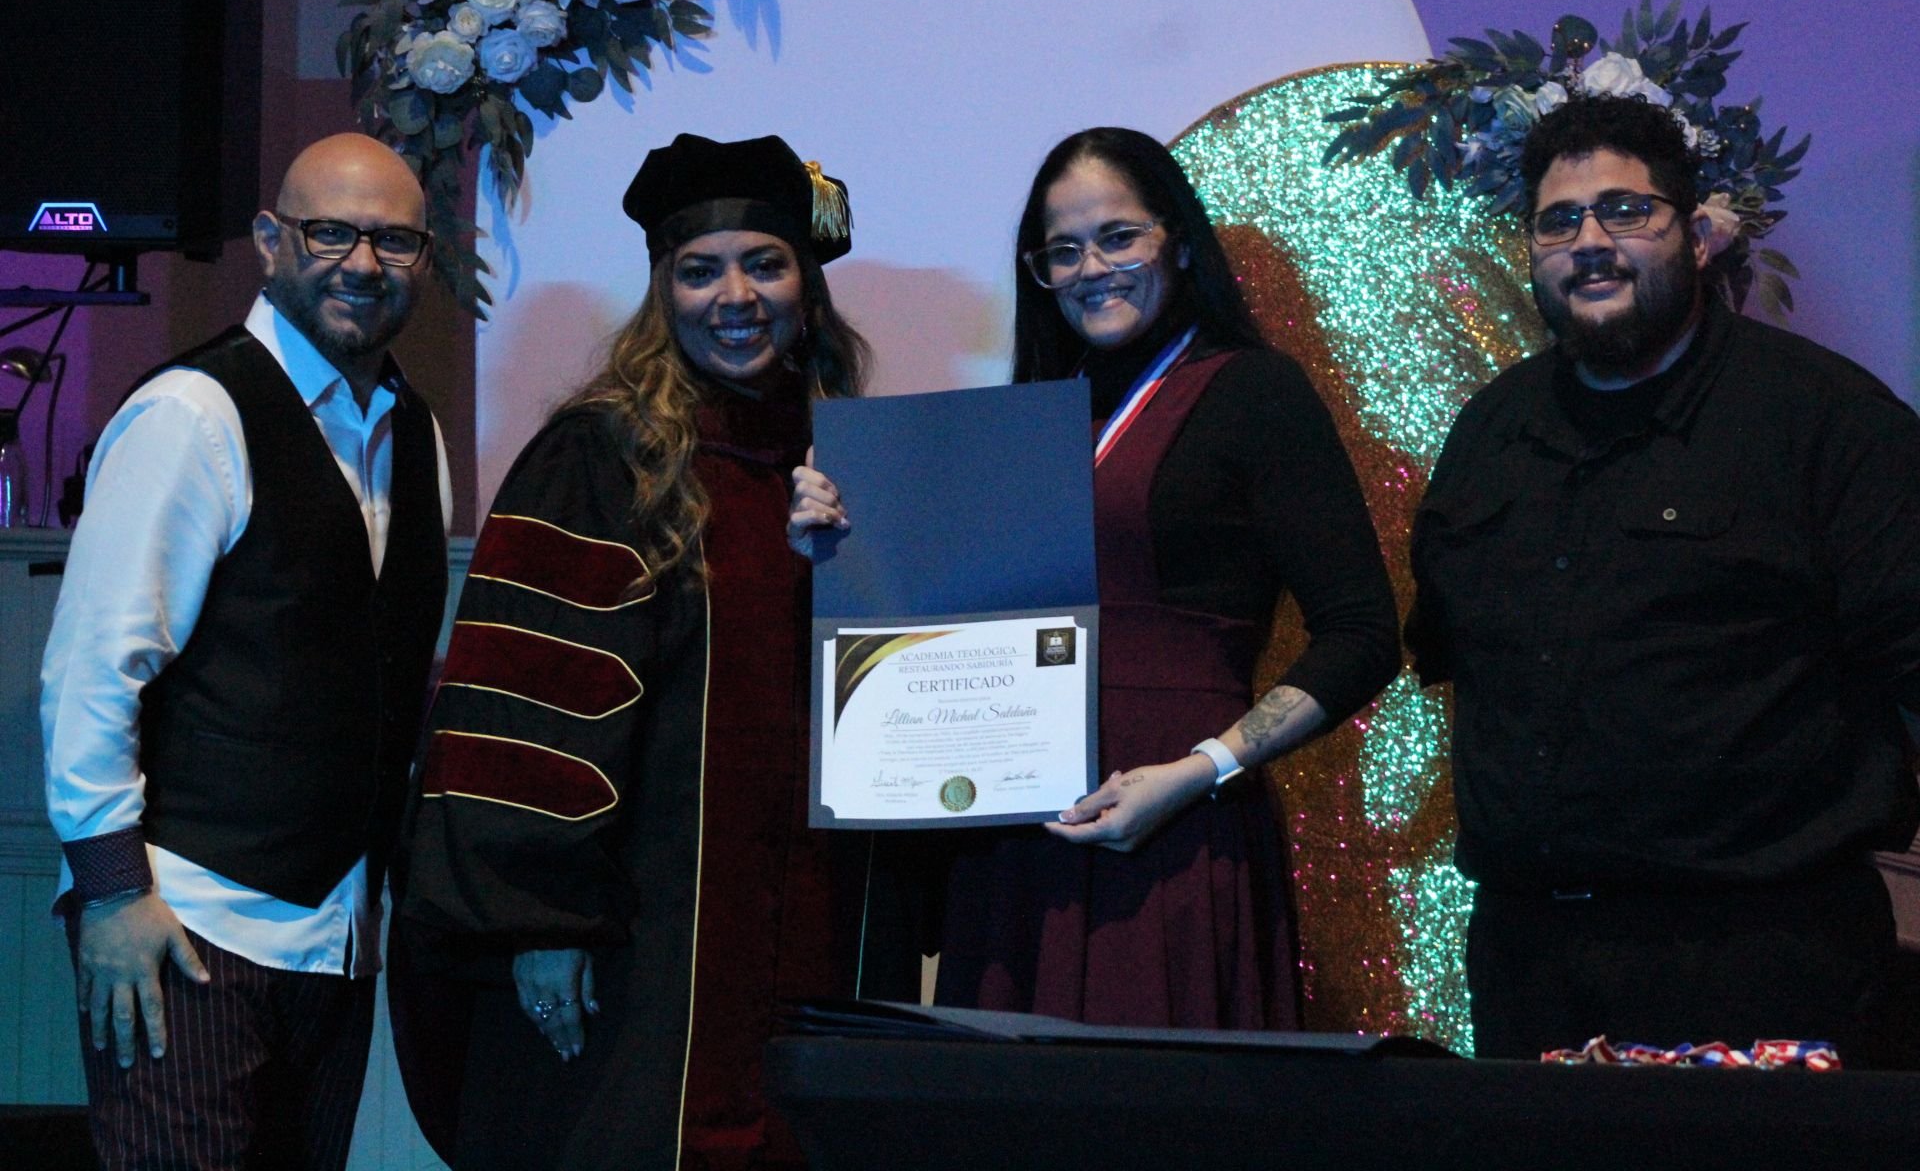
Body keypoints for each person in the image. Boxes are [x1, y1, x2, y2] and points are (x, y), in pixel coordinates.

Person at [397, 134, 884, 1170]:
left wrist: (851, 562)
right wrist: (542, 920)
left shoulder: (843, 457)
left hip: (802, 921)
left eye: (766, 261)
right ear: (663, 289)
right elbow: (524, 701)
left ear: (808, 282)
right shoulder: (603, 451)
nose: (735, 295)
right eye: (700, 270)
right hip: (637, 936)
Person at [1407, 94, 1920, 1063]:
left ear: (1697, 234)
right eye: (1560, 221)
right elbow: (1455, 661)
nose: (1591, 241)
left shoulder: (1827, 420)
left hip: (1762, 954)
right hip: (1532, 959)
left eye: (1626, 211)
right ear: (1530, 250)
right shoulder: (1489, 429)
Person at [40, 131, 450, 1168]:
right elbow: (92, 667)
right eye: (330, 232)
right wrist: (111, 889)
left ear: (424, 260)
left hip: (338, 936)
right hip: (182, 923)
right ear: (271, 241)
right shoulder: (193, 411)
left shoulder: (416, 430)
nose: (362, 263)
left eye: (394, 241)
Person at [929, 126, 1400, 1028]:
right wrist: (838, 529)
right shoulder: (1028, 418)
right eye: (1063, 251)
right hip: (1016, 838)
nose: (1090, 267)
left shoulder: (1255, 390)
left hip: (1174, 827)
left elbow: (1363, 632)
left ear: (1178, 241)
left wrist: (1200, 771)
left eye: (1118, 236)